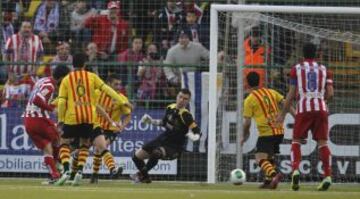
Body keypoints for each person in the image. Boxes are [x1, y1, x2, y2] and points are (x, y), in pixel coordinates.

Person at [55, 53, 129, 186]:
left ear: (73, 64)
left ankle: (66, 170)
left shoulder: (67, 79)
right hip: (90, 118)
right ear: (84, 64)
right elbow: (106, 90)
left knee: (64, 143)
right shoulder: (92, 78)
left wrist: (60, 119)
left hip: (73, 117)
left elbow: (61, 102)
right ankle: (79, 172)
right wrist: (121, 100)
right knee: (85, 144)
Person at [276, 43, 334, 191]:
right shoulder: (324, 69)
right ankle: (327, 176)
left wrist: (282, 114)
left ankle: (295, 170)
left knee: (296, 141)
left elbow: (291, 93)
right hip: (321, 108)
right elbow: (331, 94)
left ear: (302, 54)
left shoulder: (296, 69)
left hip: (303, 108)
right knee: (323, 143)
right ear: (316, 54)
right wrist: (321, 100)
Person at [130, 88, 201, 183]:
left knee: (156, 153)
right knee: (136, 156)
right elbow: (163, 123)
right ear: (177, 97)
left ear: (188, 101)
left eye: (185, 99)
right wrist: (151, 121)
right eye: (180, 97)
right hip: (163, 139)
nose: (181, 100)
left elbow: (197, 131)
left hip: (174, 146)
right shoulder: (170, 107)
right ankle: (145, 177)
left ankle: (140, 175)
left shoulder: (186, 115)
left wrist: (195, 136)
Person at [241, 71, 295, 189]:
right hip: (279, 131)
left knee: (259, 158)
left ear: (247, 84)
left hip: (267, 133)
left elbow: (247, 122)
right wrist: (296, 116)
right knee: (269, 156)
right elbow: (286, 103)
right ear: (260, 81)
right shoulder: (271, 92)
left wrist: (244, 135)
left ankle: (274, 174)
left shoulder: (249, 100)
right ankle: (268, 181)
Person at [23, 65, 70, 183]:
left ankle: (54, 175)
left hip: (28, 120)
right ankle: (61, 167)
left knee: (47, 148)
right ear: (61, 78)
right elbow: (37, 100)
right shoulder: (50, 86)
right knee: (59, 139)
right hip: (39, 119)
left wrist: (52, 105)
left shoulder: (42, 80)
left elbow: (37, 97)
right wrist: (51, 109)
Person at [89, 74, 133, 183]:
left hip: (111, 129)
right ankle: (95, 175)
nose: (118, 87)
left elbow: (128, 114)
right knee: (86, 150)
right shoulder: (97, 93)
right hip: (95, 126)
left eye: (120, 84)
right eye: (115, 84)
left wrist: (122, 126)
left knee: (101, 147)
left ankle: (110, 171)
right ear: (108, 84)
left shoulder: (121, 98)